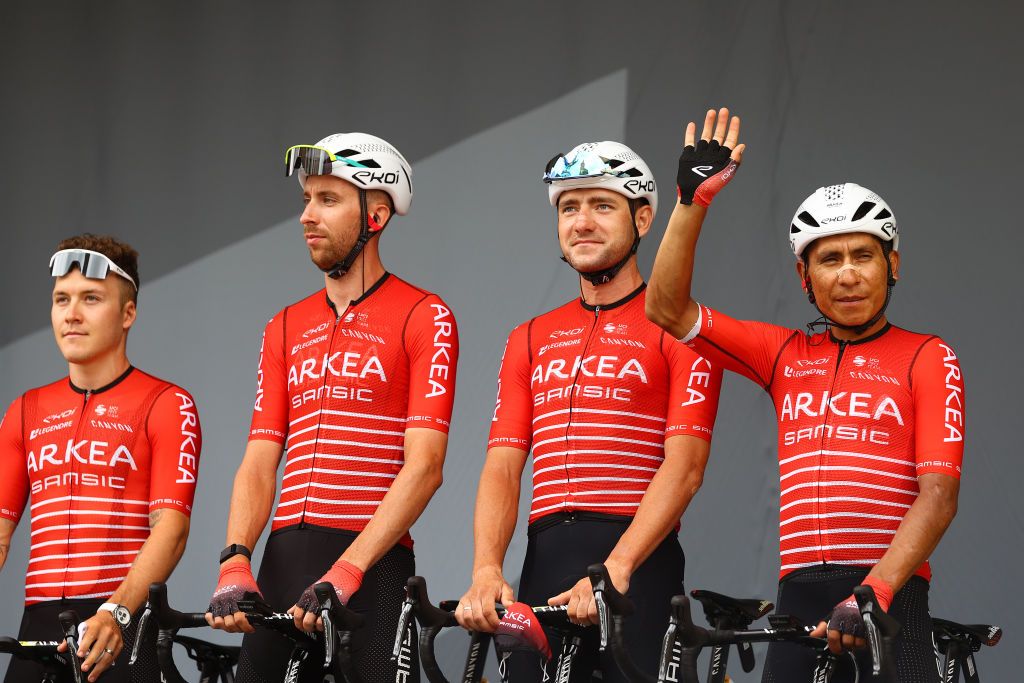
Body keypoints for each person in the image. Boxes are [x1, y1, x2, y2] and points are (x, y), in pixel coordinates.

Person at [646, 108, 961, 683]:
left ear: (892, 264)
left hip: (889, 595)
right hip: (800, 597)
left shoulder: (927, 355)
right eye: (829, 260)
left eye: (863, 256)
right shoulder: (785, 354)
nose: (848, 275)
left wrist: (876, 589)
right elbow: (666, 309)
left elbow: (938, 495)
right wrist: (692, 204)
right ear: (803, 278)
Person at [456, 140, 723, 682]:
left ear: (644, 218)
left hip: (637, 568)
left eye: (602, 205)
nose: (582, 222)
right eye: (568, 207)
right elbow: (504, 466)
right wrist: (486, 570)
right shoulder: (528, 337)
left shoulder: (683, 331)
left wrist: (617, 567)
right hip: (545, 559)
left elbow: (686, 467)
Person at [205, 133, 459, 683]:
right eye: (305, 200)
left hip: (371, 564)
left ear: (377, 215)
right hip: (282, 561)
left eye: (328, 199)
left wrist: (349, 568)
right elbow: (258, 460)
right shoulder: (284, 325)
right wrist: (235, 560)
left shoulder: (424, 315)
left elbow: (426, 466)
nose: (307, 216)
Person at [0, 234, 201, 683]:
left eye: (91, 298)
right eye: (61, 299)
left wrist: (117, 612)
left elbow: (171, 529)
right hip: (38, 631)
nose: (71, 314)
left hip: (122, 626)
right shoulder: (24, 410)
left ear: (128, 313)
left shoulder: (167, 403)